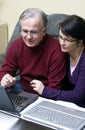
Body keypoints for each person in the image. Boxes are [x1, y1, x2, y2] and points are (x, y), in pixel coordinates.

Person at [0, 8, 66, 96]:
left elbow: (55, 88)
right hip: (21, 88)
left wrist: (44, 93)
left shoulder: (56, 50)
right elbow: (5, 71)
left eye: (33, 32)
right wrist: (5, 78)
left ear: (44, 31)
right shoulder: (16, 45)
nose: (28, 37)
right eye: (25, 31)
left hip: (45, 93)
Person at [30, 14, 85, 108]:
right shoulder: (65, 52)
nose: (61, 43)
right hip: (70, 104)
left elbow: (78, 96)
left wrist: (45, 91)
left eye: (67, 40)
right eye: (60, 37)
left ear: (79, 42)